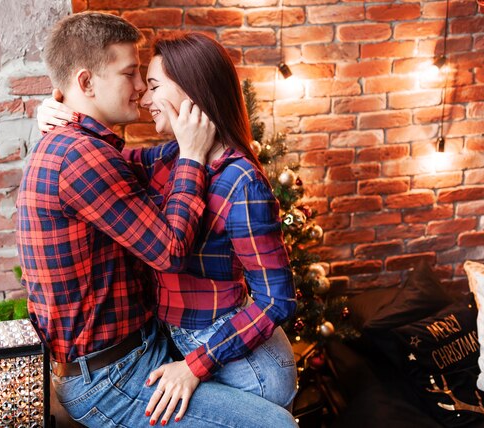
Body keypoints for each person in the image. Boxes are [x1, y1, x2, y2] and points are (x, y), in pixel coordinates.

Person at [19, 11, 297, 428]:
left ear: (191, 92)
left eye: (149, 84)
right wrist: (56, 107)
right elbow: (169, 249)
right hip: (112, 374)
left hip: (178, 354)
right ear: (86, 82)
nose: (141, 94)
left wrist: (64, 111)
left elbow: (278, 297)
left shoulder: (233, 178)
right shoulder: (87, 155)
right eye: (133, 76)